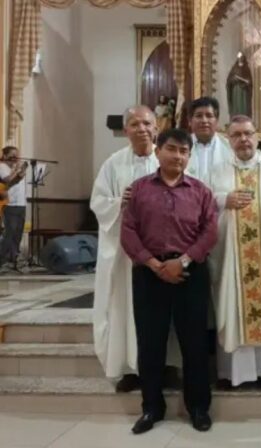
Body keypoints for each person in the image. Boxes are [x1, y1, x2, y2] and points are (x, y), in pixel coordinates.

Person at [121, 128, 218, 434]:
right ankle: (151, 408)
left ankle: (199, 407)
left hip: (190, 272)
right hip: (149, 273)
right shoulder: (138, 189)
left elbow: (210, 232)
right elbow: (128, 232)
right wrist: (154, 264)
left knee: (194, 344)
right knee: (151, 344)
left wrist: (183, 261)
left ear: (190, 156)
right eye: (172, 149)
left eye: (184, 151)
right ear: (158, 151)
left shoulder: (201, 191)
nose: (178, 156)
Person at [210, 115, 261, 387]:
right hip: (231, 260)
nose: (243, 139)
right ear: (228, 139)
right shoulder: (217, 171)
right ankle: (233, 374)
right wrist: (224, 200)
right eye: (236, 135)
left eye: (248, 133)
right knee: (233, 309)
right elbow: (200, 205)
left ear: (258, 136)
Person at [91, 106, 159, 392]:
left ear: (156, 127)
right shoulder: (113, 163)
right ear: (125, 129)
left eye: (146, 123)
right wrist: (120, 200)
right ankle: (129, 367)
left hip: (160, 252)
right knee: (124, 307)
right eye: (134, 123)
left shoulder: (167, 158)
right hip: (123, 254)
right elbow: (98, 202)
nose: (141, 128)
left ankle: (162, 366)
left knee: (159, 310)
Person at [187, 96, 232, 186]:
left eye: (209, 115)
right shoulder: (181, 146)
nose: (204, 120)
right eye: (199, 116)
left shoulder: (230, 147)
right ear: (190, 121)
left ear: (217, 120)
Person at [0, 146, 28, 271]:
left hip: (21, 204)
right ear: (5, 156)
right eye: (12, 155)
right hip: (10, 205)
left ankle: (13, 260)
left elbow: (18, 179)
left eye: (16, 155)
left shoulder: (14, 168)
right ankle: (2, 260)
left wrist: (22, 170)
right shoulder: (2, 167)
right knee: (9, 234)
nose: (15, 158)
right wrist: (16, 170)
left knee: (18, 235)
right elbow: (7, 180)